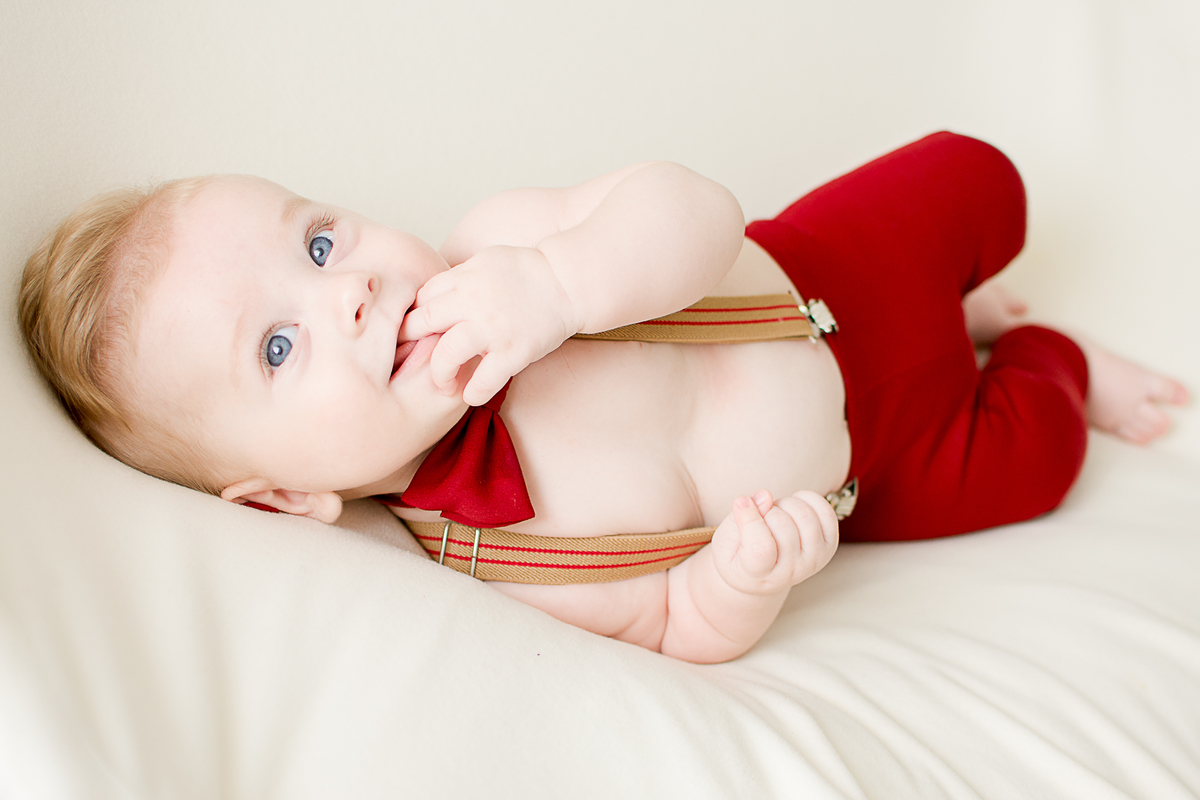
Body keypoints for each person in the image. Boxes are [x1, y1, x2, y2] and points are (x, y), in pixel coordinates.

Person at [18, 132, 1188, 663]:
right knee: (1038, 457)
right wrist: (742, 580)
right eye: (277, 347)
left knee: (982, 178)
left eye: (318, 244)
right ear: (280, 499)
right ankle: (1052, 357)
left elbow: (697, 207)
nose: (352, 297)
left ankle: (974, 301)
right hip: (874, 461)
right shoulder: (503, 563)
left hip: (837, 269)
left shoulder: (499, 247)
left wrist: (561, 280)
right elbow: (671, 622)